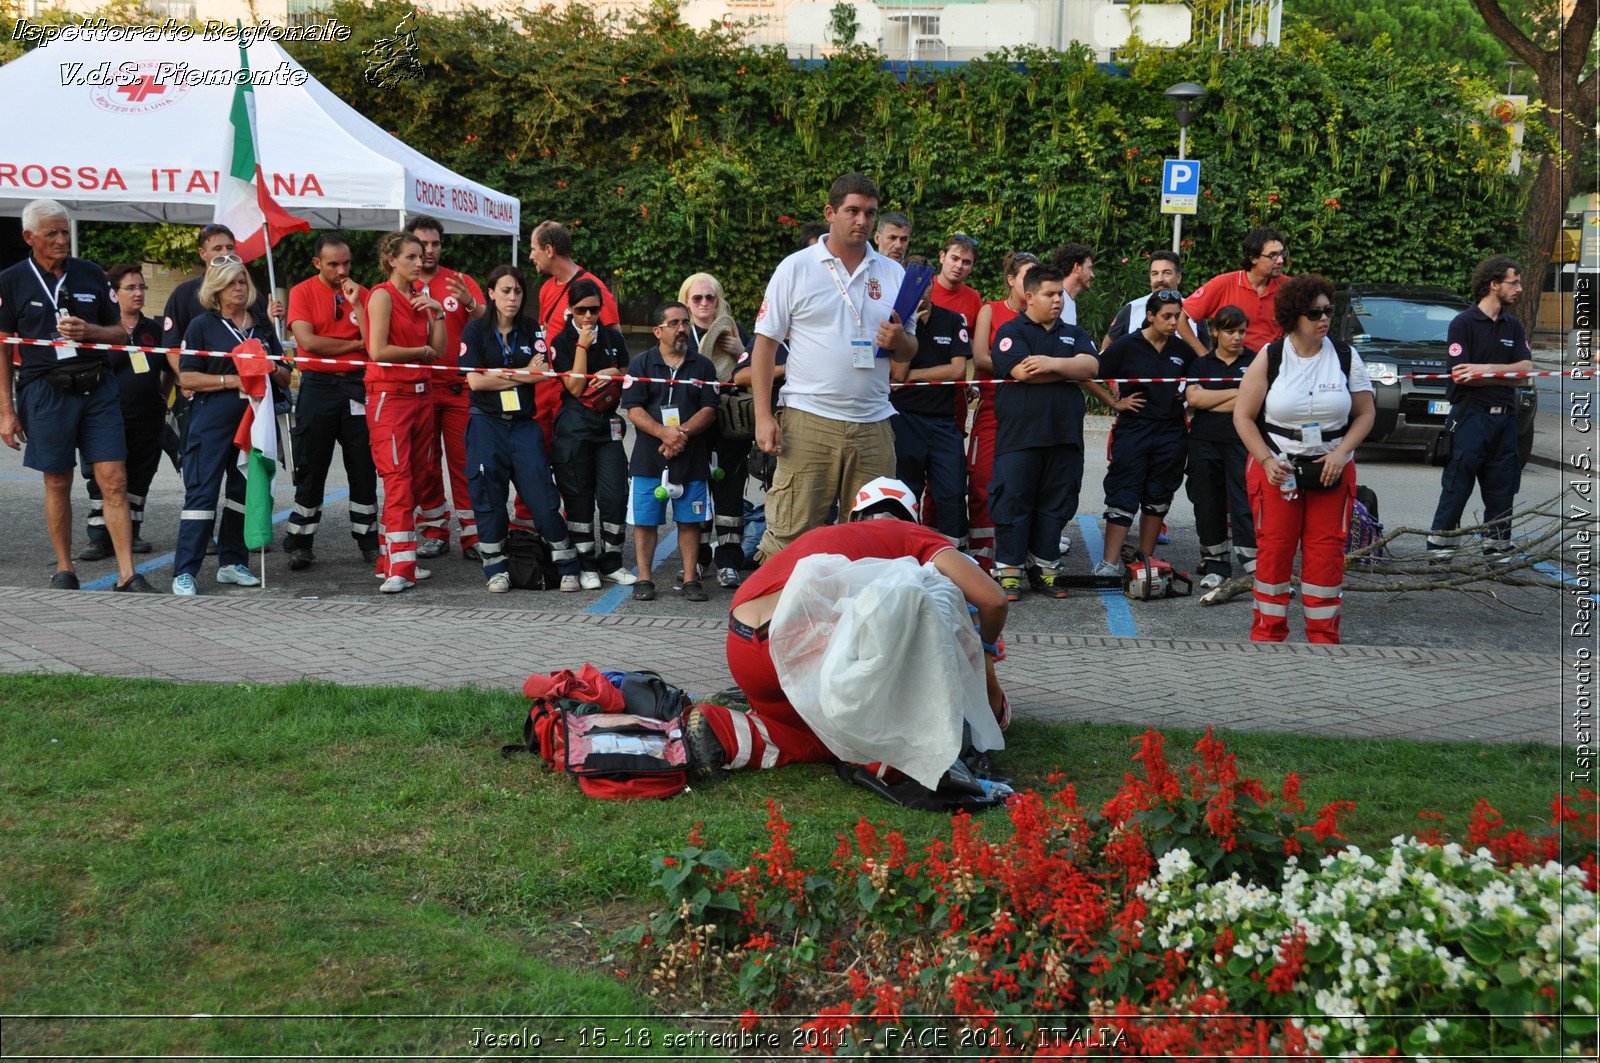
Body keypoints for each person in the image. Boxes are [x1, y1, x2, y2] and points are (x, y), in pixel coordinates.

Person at [682, 477, 1009, 774]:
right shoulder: (915, 536)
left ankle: (724, 728)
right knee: (848, 738)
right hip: (799, 643)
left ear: (854, 515)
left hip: (743, 643)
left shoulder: (827, 534)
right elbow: (993, 601)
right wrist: (984, 648)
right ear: (914, 520)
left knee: (807, 727)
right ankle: (880, 756)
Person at [749, 172, 918, 561]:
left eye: (870, 213)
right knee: (791, 537)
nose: (862, 220)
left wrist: (899, 341)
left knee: (873, 540)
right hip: (810, 419)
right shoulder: (795, 267)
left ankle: (853, 622)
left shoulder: (893, 273)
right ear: (831, 212)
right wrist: (763, 416)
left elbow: (909, 350)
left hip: (874, 424)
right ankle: (774, 621)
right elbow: (764, 346)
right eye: (853, 211)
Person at [0, 200, 154, 592]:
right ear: (29, 237)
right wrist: (6, 409)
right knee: (57, 481)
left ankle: (127, 573)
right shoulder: (11, 280)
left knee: (114, 479)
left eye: (65, 231)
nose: (61, 239)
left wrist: (91, 332)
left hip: (97, 385)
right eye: (51, 233)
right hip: (45, 388)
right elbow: (2, 347)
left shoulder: (88, 274)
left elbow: (120, 334)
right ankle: (65, 570)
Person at [1234, 273, 1375, 644]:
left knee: (1326, 555)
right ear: (1295, 316)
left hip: (1332, 469)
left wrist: (1342, 454)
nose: (1324, 318)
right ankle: (1268, 634)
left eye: (1329, 310)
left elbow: (1365, 413)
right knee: (1274, 552)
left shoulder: (1346, 355)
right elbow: (1243, 417)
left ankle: (1323, 638)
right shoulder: (1272, 355)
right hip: (1279, 469)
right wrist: (1265, 460)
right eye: (1314, 313)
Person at [459, 264, 582, 593]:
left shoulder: (532, 329)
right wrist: (519, 372)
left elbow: (541, 374)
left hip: (524, 427)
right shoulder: (474, 332)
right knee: (488, 497)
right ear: (490, 293)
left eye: (517, 291)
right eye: (505, 291)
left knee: (542, 496)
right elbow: (475, 381)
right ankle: (495, 568)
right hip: (486, 425)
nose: (512, 297)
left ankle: (567, 565)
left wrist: (504, 374)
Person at [171, 258, 291, 596]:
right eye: (230, 283)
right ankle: (185, 571)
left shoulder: (263, 326)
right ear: (216, 290)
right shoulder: (201, 326)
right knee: (202, 495)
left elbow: (286, 374)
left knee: (243, 494)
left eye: (242, 281)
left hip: (254, 421)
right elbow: (188, 377)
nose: (238, 288)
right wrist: (231, 379)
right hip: (212, 422)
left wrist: (269, 367)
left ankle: (233, 562)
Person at [987, 265, 1101, 599]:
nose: (1057, 301)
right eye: (1050, 295)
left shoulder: (1074, 333)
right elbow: (1023, 372)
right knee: (1013, 502)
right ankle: (1009, 571)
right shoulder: (1012, 331)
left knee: (1056, 504)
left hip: (1064, 437)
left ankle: (1046, 569)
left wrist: (1051, 364)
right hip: (1020, 438)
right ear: (1030, 296)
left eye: (1060, 295)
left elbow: (1092, 366)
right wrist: (1069, 369)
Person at [1426, 255, 1533, 559]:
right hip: (1471, 419)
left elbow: (1525, 369)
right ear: (1494, 284)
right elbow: (1462, 375)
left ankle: (1498, 554)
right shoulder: (1464, 323)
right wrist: (1503, 375)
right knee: (1457, 487)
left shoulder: (1513, 326)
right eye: (1514, 282)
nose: (1520, 288)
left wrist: (1485, 369)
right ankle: (1440, 552)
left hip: (1505, 421)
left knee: (1503, 490)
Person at [282, 233, 379, 569]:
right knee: (311, 464)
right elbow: (308, 342)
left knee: (363, 466)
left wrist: (355, 306)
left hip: (356, 386)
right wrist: (355, 345)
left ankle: (369, 540)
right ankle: (300, 542)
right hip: (318, 386)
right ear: (317, 263)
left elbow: (376, 342)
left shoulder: (362, 294)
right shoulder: (302, 292)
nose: (342, 270)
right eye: (334, 264)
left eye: (347, 263)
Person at [1087, 291, 1194, 577]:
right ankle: (1108, 564)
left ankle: (1144, 563)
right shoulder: (1126, 345)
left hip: (1171, 432)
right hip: (1134, 429)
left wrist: (1188, 401)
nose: (1174, 322)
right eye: (1167, 316)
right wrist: (1113, 402)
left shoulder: (1182, 350)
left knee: (1158, 495)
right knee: (1123, 492)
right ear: (1150, 316)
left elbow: (1202, 379)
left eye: (1177, 316)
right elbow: (1089, 373)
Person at [364, 230, 447, 594]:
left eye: (422, 256)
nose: (420, 261)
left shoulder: (419, 296)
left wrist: (439, 314)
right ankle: (401, 566)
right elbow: (377, 350)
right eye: (411, 257)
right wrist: (419, 354)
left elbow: (438, 351)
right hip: (391, 396)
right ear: (391, 260)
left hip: (419, 394)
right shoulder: (381, 295)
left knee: (414, 477)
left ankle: (393, 559)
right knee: (397, 478)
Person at [621, 301, 721, 602]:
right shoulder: (641, 363)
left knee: (689, 521)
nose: (682, 329)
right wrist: (664, 433)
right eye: (675, 323)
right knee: (645, 520)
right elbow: (633, 409)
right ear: (657, 331)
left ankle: (690, 579)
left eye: (685, 323)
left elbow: (709, 409)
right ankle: (645, 578)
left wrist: (680, 434)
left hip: (691, 456)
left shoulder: (703, 365)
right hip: (648, 457)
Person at [405, 215, 487, 562]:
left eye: (435, 243)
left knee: (466, 464)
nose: (429, 250)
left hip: (458, 391)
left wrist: (470, 302)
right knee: (424, 466)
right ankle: (435, 531)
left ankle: (473, 536)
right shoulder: (398, 285)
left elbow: (489, 321)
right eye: (422, 244)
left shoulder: (459, 280)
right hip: (417, 391)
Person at [76, 263, 167, 560]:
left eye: (142, 287)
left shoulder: (154, 330)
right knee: (102, 478)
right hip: (106, 416)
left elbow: (171, 370)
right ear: (113, 294)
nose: (138, 293)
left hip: (147, 417)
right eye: (131, 288)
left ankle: (133, 533)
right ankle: (99, 538)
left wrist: (162, 398)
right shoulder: (104, 330)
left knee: (139, 478)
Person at [550, 277, 634, 588]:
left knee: (615, 494)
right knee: (578, 497)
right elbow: (573, 387)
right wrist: (583, 345)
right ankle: (586, 565)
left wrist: (613, 372)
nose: (588, 316)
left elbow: (627, 372)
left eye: (594, 310)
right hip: (574, 424)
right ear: (570, 309)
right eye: (582, 310)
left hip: (607, 423)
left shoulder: (613, 335)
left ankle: (611, 561)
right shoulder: (560, 342)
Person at [680, 272, 753, 589]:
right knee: (696, 491)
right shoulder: (679, 330)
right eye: (697, 298)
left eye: (710, 297)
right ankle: (696, 560)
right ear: (686, 301)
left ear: (719, 299)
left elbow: (757, 368)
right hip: (694, 421)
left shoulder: (735, 330)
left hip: (730, 423)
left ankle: (729, 562)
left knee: (730, 491)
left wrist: (741, 351)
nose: (705, 303)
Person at [966, 250, 1039, 571]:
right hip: (993, 409)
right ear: (1011, 280)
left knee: (1023, 485)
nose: (1033, 285)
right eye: (1027, 277)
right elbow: (980, 357)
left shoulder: (1042, 314)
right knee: (982, 481)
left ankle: (1015, 554)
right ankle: (983, 554)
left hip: (1028, 410)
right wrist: (1020, 369)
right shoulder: (990, 311)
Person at [889, 259, 970, 545]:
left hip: (943, 421)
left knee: (951, 491)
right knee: (906, 492)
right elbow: (897, 376)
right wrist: (909, 325)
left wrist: (915, 376)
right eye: (913, 287)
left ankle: (955, 553)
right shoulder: (894, 325)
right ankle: (904, 550)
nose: (920, 292)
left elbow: (958, 370)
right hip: (905, 419)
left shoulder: (952, 320)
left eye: (924, 285)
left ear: (933, 284)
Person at [1183, 304, 1258, 590]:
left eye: (1241, 331)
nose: (1237, 337)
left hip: (1242, 442)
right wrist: (1240, 393)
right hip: (1204, 443)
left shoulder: (1255, 361)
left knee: (1245, 504)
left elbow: (1257, 400)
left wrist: (1213, 398)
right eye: (1230, 331)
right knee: (1207, 503)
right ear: (1215, 332)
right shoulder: (1201, 364)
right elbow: (1195, 400)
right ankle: (1217, 564)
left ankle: (1254, 566)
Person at [1181, 227, 1286, 357]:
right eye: (1273, 256)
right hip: (1232, 369)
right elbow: (1181, 318)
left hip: (1273, 367)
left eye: (1281, 254)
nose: (1280, 260)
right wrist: (1204, 357)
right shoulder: (1223, 284)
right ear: (1253, 258)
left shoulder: (1288, 287)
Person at [529, 219, 621, 337]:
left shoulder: (593, 287)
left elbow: (615, 340)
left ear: (549, 250)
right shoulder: (546, 289)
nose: (531, 256)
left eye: (533, 249)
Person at [1102, 250, 1201, 351]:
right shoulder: (1132, 308)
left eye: (1166, 273)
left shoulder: (1193, 312)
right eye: (1154, 274)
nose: (1159, 279)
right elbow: (1106, 349)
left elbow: (1205, 355)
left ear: (1178, 277)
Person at [1048, 242, 1095, 326]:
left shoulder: (1068, 300)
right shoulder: (1057, 300)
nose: (1092, 275)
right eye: (1089, 268)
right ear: (1077, 268)